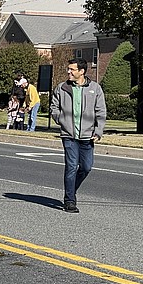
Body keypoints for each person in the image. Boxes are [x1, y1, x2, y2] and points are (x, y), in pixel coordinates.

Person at [50, 58, 106, 213]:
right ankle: (69, 201)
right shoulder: (62, 88)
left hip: (87, 136)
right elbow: (54, 107)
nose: (69, 72)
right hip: (68, 135)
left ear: (81, 71)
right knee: (72, 166)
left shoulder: (95, 88)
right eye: (68, 69)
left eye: (72, 69)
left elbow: (101, 111)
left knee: (86, 167)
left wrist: (98, 130)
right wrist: (60, 119)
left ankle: (71, 189)